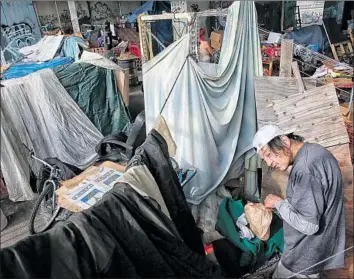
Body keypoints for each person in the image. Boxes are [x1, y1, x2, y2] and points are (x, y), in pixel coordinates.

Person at [252, 125, 345, 278]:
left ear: (285, 141)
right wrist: (281, 206)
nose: (269, 163)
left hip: (303, 256)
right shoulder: (314, 151)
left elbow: (309, 225)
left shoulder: (305, 169)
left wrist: (278, 204)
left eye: (269, 154)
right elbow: (311, 204)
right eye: (265, 159)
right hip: (313, 251)